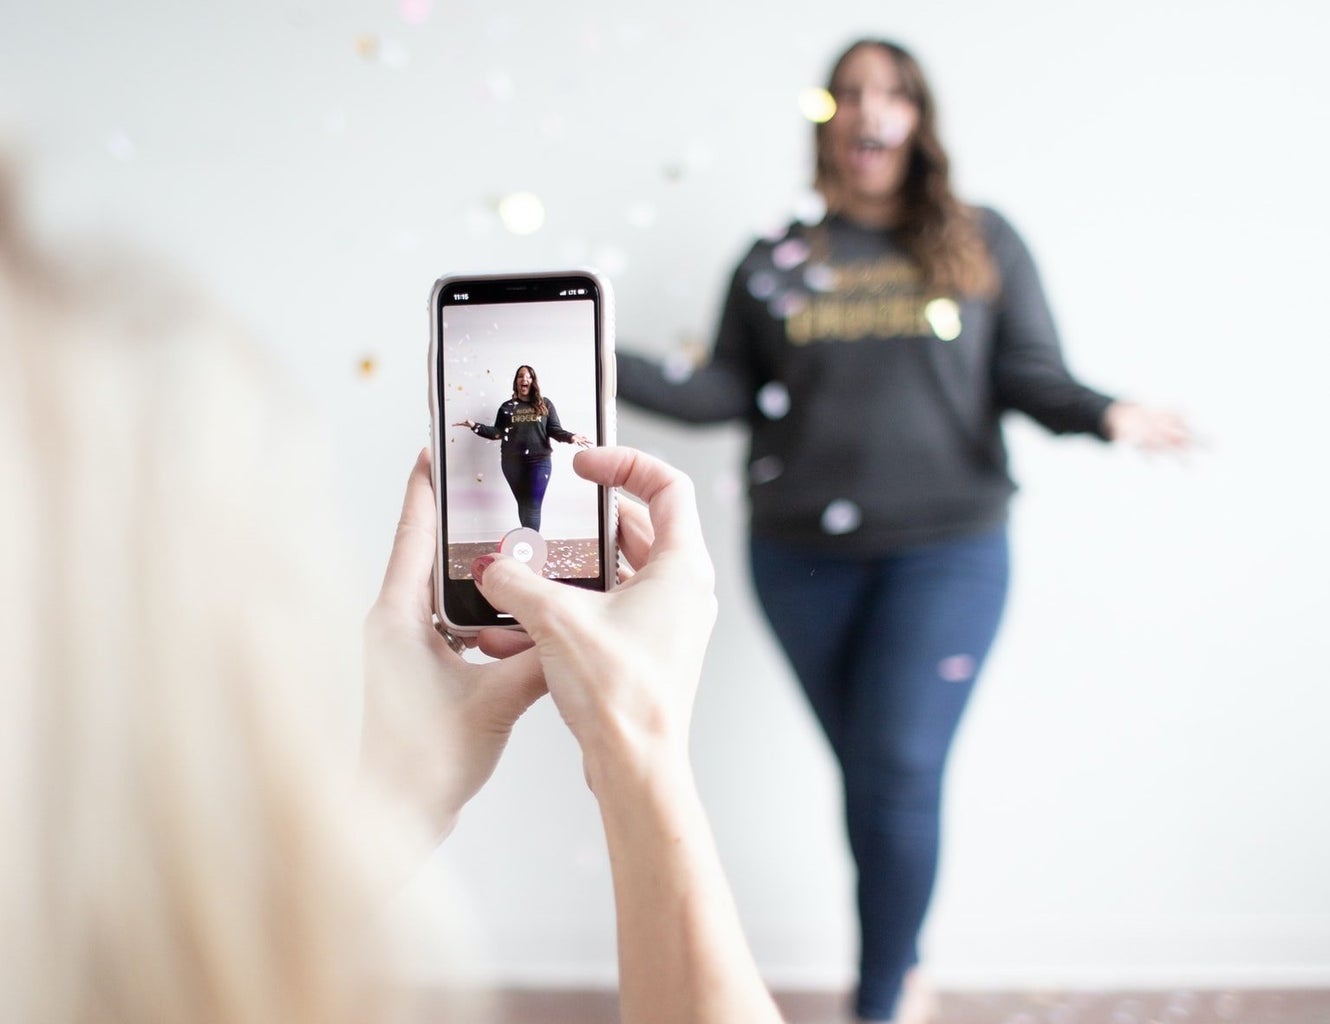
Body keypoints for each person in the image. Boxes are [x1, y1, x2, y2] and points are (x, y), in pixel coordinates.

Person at [0, 154, 784, 1024]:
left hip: (533, 467)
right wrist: (637, 743)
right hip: (514, 459)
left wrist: (403, 784)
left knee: (529, 507)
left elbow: (559, 430)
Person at [615, 38, 1192, 1023]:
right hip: (799, 557)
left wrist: (1104, 412)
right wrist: (584, 348)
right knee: (876, 775)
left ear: (917, 119)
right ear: (823, 120)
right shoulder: (774, 257)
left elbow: (1028, 375)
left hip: (948, 547)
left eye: (889, 94)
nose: (865, 110)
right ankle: (903, 973)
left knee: (897, 766)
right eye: (845, 95)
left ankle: (880, 998)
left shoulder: (977, 242)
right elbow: (715, 390)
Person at [454, 363, 590, 532]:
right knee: (524, 504)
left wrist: (571, 437)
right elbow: (497, 433)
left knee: (533, 504)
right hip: (512, 463)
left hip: (540, 461)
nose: (524, 379)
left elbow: (554, 430)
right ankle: (528, 545)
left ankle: (532, 544)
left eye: (528, 376)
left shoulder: (544, 404)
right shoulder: (506, 408)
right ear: (516, 382)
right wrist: (475, 426)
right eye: (520, 376)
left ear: (533, 381)